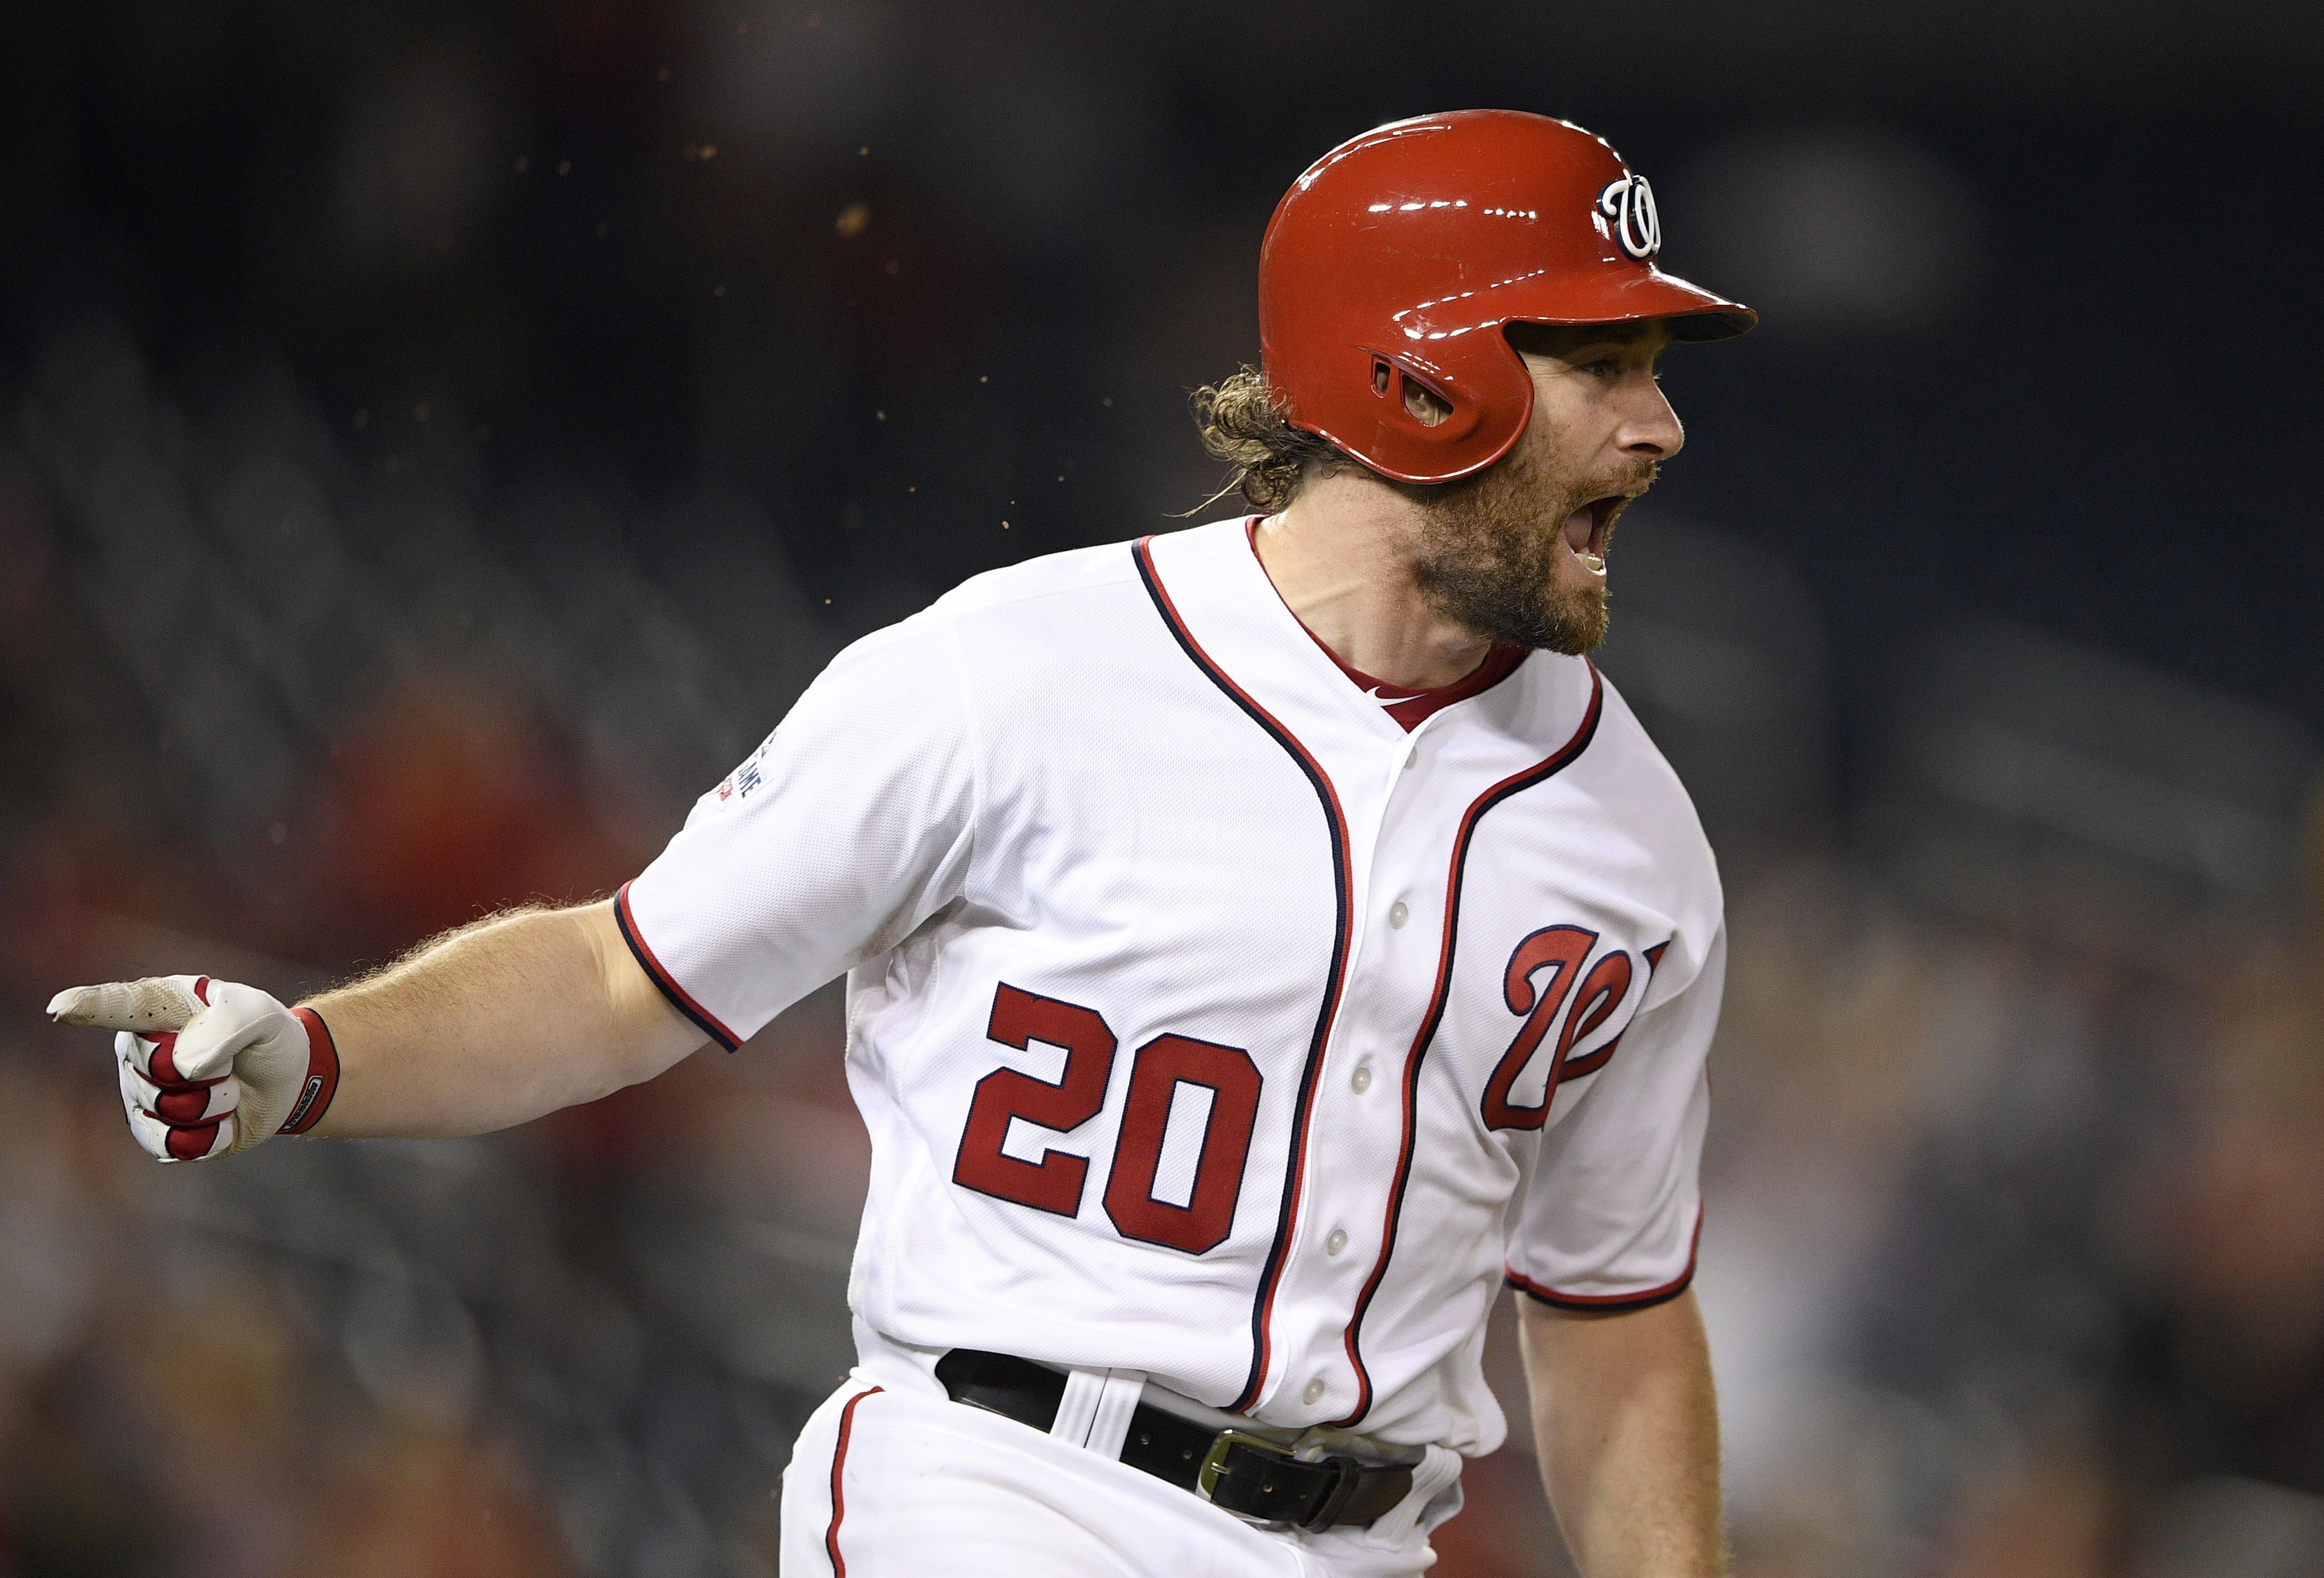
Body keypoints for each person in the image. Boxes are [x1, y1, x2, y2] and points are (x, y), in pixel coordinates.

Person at [52, 110, 1753, 1577]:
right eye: (1599, 362)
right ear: (1418, 365)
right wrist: (320, 1052)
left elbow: (1608, 1310)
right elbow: (618, 972)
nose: (1656, 426)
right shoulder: (1017, 675)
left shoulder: (1635, 841)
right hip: (1003, 1487)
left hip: (1367, 1540)